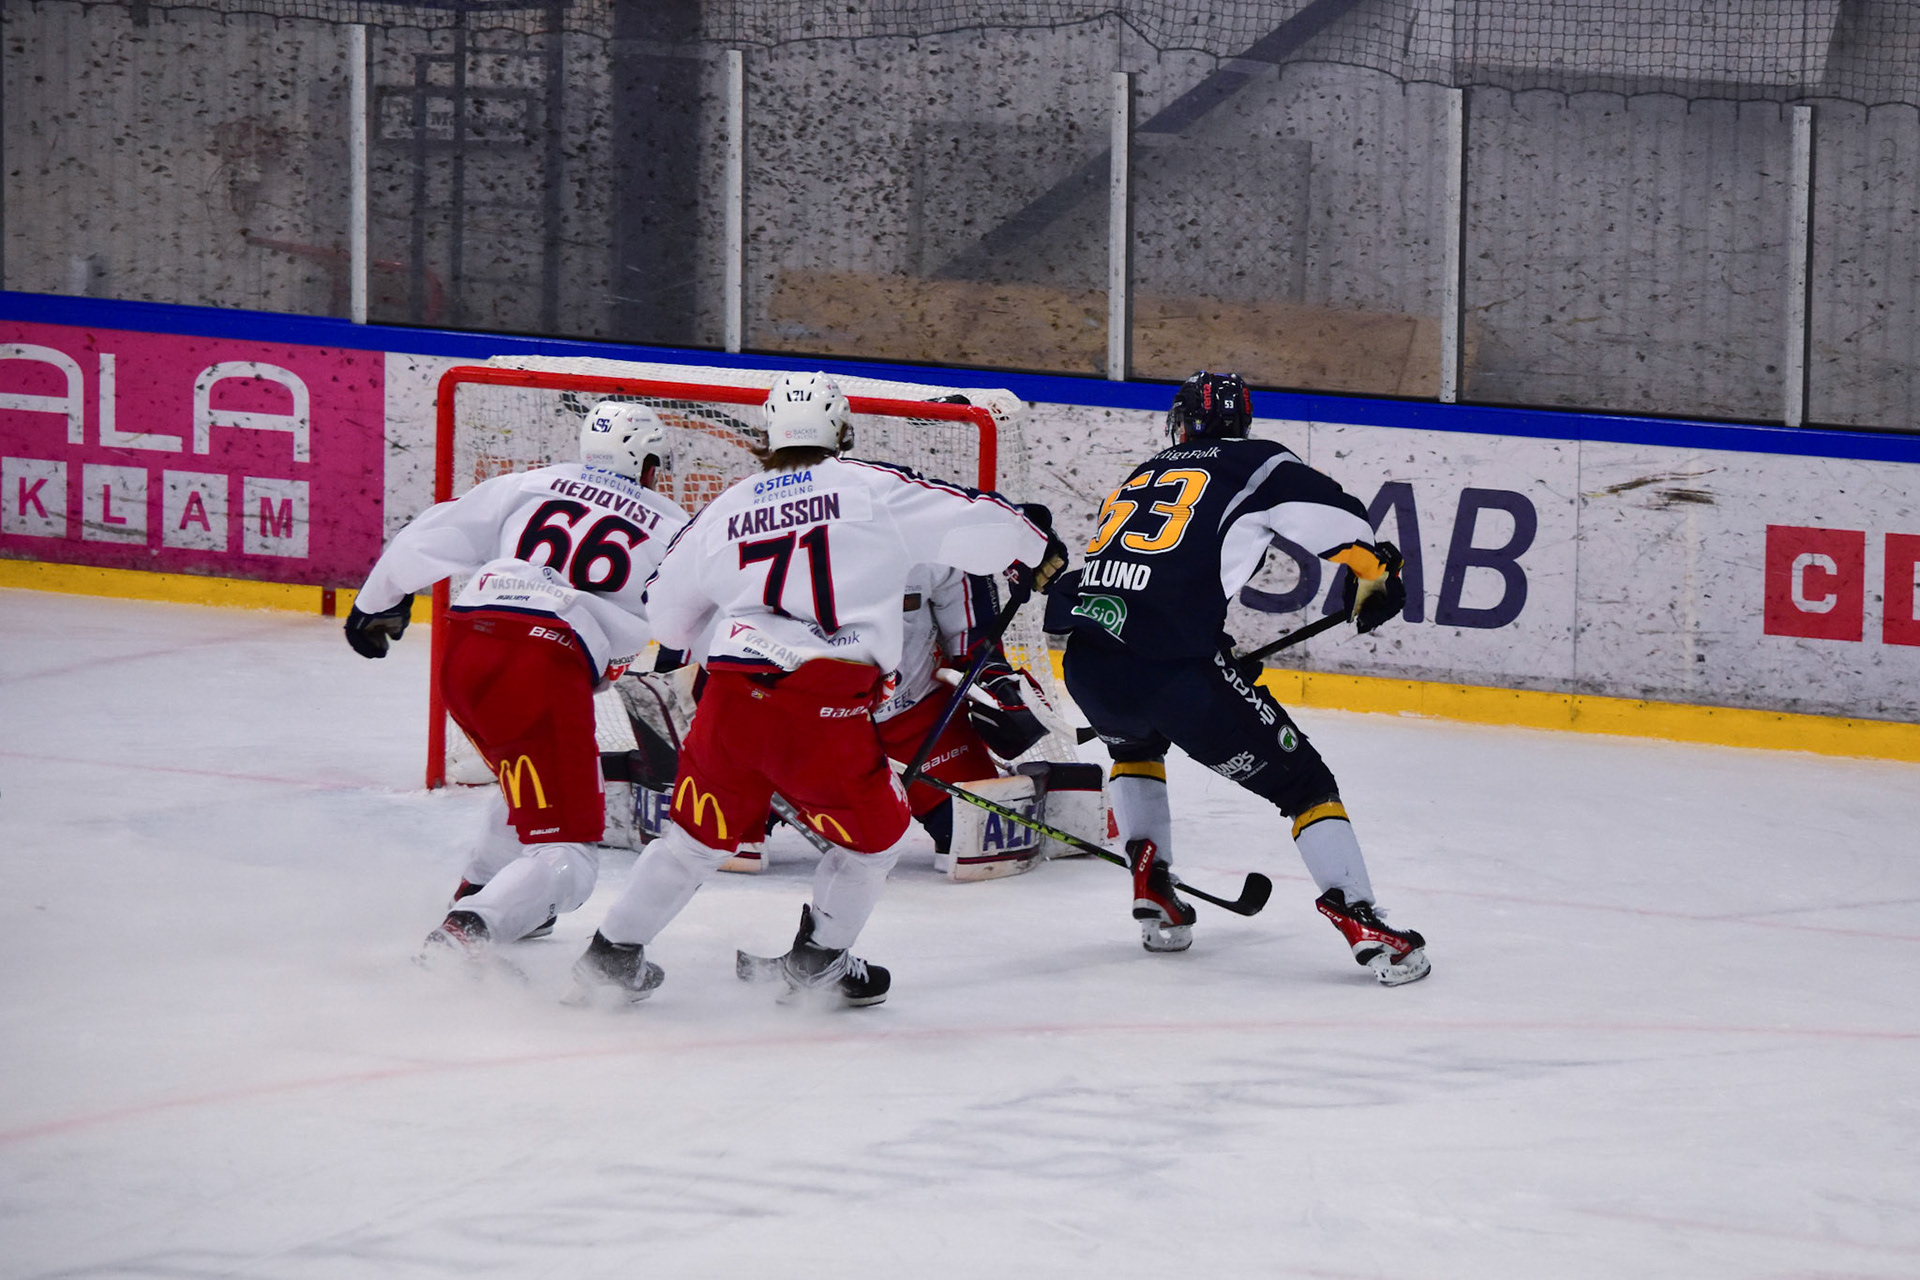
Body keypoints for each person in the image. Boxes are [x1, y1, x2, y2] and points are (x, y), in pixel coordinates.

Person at [571, 370, 1066, 1006]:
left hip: (731, 697)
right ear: (841, 429)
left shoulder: (727, 506)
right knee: (877, 842)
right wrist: (1035, 541)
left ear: (769, 432)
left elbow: (665, 618)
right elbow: (987, 522)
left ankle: (609, 958)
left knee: (692, 842)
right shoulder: (871, 486)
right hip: (824, 702)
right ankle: (819, 964)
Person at [1055, 371, 1430, 985]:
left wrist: (1215, 660)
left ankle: (1152, 882)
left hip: (1090, 663)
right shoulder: (1256, 463)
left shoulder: (1141, 474)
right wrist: (1372, 571)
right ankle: (1363, 921)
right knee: (1306, 784)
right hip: (1175, 673)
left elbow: (1143, 575)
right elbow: (1338, 522)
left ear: (1181, 422)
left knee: (1134, 747)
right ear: (1242, 423)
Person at [344, 402, 690, 957]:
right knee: (571, 856)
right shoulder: (673, 524)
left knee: (523, 775)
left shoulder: (533, 483)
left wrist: (376, 602)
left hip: (466, 651)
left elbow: (434, 531)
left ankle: (479, 892)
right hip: (543, 667)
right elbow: (688, 619)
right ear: (649, 465)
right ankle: (465, 933)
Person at [872, 563, 1049, 867]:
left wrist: (989, 671)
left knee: (975, 835)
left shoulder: (929, 540)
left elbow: (964, 597)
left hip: (916, 717)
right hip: (806, 727)